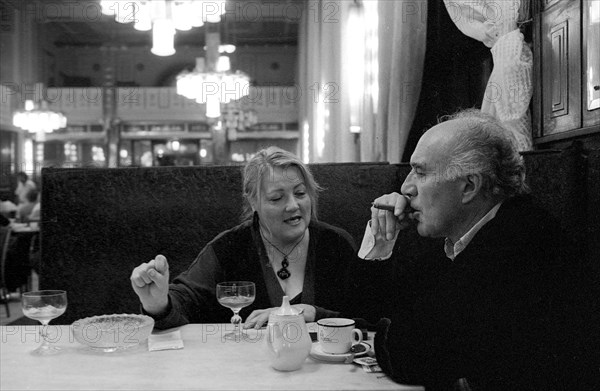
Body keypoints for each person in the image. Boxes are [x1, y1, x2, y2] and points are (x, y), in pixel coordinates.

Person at [355, 110, 599, 390]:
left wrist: (390, 329)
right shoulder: (462, 237)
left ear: (469, 186)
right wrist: (382, 239)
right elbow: (370, 314)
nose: (405, 187)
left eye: (420, 172)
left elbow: (407, 355)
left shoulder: (520, 243)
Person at [130, 146, 357, 330]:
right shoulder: (229, 248)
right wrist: (157, 303)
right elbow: (186, 300)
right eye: (277, 198)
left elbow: (370, 317)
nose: (293, 205)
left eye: (300, 193)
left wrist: (312, 313)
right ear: (253, 202)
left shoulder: (336, 244)